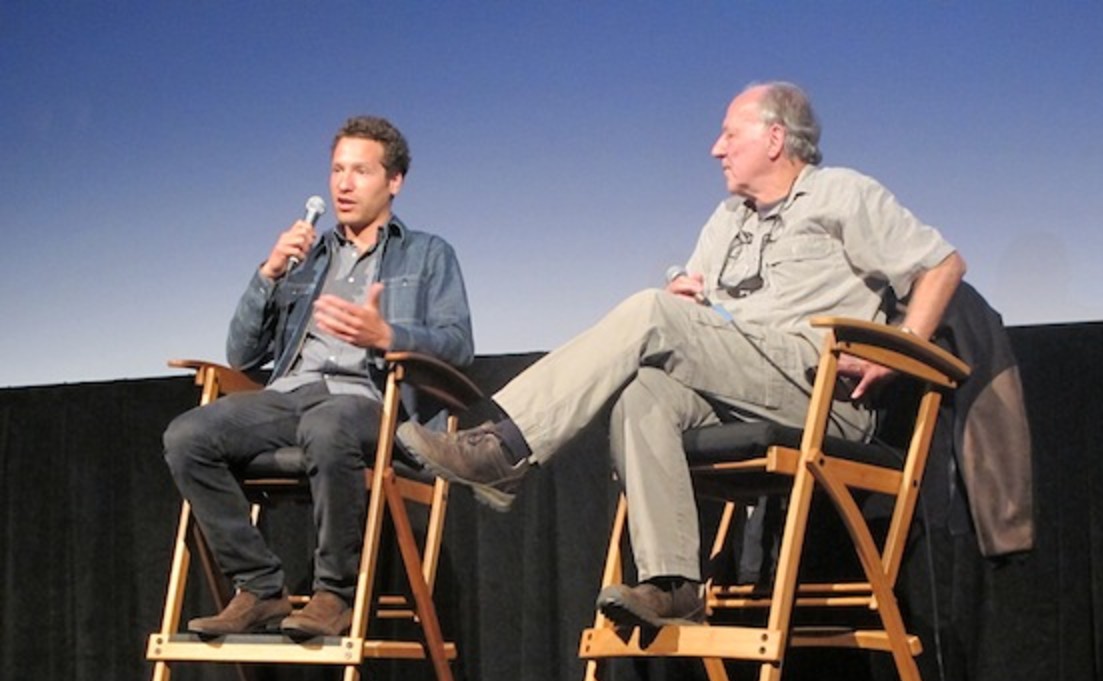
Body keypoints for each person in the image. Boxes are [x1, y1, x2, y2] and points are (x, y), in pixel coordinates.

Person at [398, 82, 964, 629]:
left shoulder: (843, 193)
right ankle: (675, 585)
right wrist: (687, 303)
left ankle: (507, 447)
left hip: (818, 388)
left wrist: (903, 348)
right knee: (643, 391)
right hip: (740, 385)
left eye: (729, 134)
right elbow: (693, 314)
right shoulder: (727, 221)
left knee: (649, 312)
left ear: (774, 139)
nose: (716, 148)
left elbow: (941, 265)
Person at [164, 115, 473, 639]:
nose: (344, 184)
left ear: (394, 181)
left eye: (360, 171)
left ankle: (335, 594)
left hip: (369, 400)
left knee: (328, 424)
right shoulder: (308, 258)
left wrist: (387, 334)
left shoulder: (427, 254)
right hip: (291, 396)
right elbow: (241, 353)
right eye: (337, 170)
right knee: (187, 436)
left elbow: (457, 344)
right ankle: (260, 588)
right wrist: (268, 274)